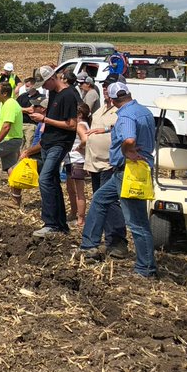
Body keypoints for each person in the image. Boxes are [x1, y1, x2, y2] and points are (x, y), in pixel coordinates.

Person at [77, 82, 158, 278]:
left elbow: (128, 138)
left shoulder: (126, 115)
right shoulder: (142, 111)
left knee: (137, 222)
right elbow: (127, 130)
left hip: (128, 171)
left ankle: (146, 269)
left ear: (112, 100)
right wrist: (105, 130)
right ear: (129, 94)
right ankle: (89, 246)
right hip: (132, 170)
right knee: (99, 199)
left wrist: (126, 151)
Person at [27, 70, 81, 238]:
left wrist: (44, 120)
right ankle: (60, 225)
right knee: (53, 181)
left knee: (45, 178)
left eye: (44, 83)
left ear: (52, 78)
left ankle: (50, 223)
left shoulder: (69, 95)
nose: (43, 87)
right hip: (48, 141)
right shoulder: (53, 92)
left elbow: (72, 125)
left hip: (59, 143)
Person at [83, 85, 128, 258]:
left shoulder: (120, 112)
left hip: (109, 163)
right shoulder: (101, 109)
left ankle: (117, 242)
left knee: (109, 202)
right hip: (95, 162)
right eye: (104, 89)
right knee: (99, 202)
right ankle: (102, 240)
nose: (105, 92)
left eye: (108, 89)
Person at [66, 105, 92, 230]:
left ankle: (81, 219)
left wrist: (80, 147)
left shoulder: (80, 125)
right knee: (71, 189)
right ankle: (73, 213)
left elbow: (85, 139)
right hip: (71, 159)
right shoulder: (83, 124)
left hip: (78, 160)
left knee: (79, 191)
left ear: (80, 114)